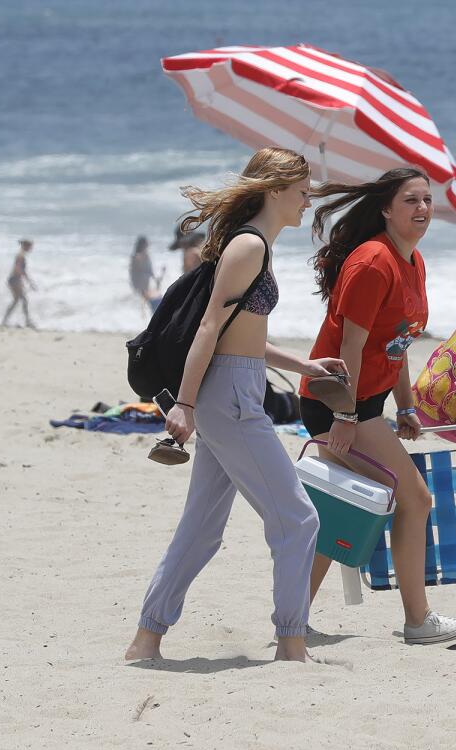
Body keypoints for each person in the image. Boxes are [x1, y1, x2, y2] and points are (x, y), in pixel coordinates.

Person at [125, 146, 345, 663]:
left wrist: (305, 367)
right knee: (298, 518)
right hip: (228, 395)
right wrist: (184, 404)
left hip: (235, 385)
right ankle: (292, 645)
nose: (308, 199)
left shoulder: (255, 246)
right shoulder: (248, 247)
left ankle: (146, 640)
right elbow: (207, 328)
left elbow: (239, 338)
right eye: (301, 189)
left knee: (202, 528)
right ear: (273, 191)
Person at [299, 167, 456, 645]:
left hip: (364, 402)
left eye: (427, 200)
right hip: (338, 400)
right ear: (385, 209)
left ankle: (291, 618)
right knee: (415, 498)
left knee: (341, 511)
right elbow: (352, 350)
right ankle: (419, 620)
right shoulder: (372, 262)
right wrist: (343, 416)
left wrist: (404, 406)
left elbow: (396, 342)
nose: (422, 209)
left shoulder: (413, 261)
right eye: (410, 201)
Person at [1, 239, 37, 328]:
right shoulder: (20, 256)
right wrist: (25, 281)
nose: (31, 248)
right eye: (30, 246)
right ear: (25, 246)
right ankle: (27, 321)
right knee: (23, 300)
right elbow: (18, 269)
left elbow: (20, 270)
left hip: (14, 279)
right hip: (15, 280)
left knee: (17, 300)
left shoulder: (21, 255)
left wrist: (26, 281)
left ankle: (5, 320)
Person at [129, 235, 164, 313]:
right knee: (156, 301)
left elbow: (150, 272)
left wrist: (157, 278)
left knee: (158, 301)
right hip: (141, 284)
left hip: (147, 284)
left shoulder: (145, 255)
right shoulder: (137, 256)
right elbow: (137, 273)